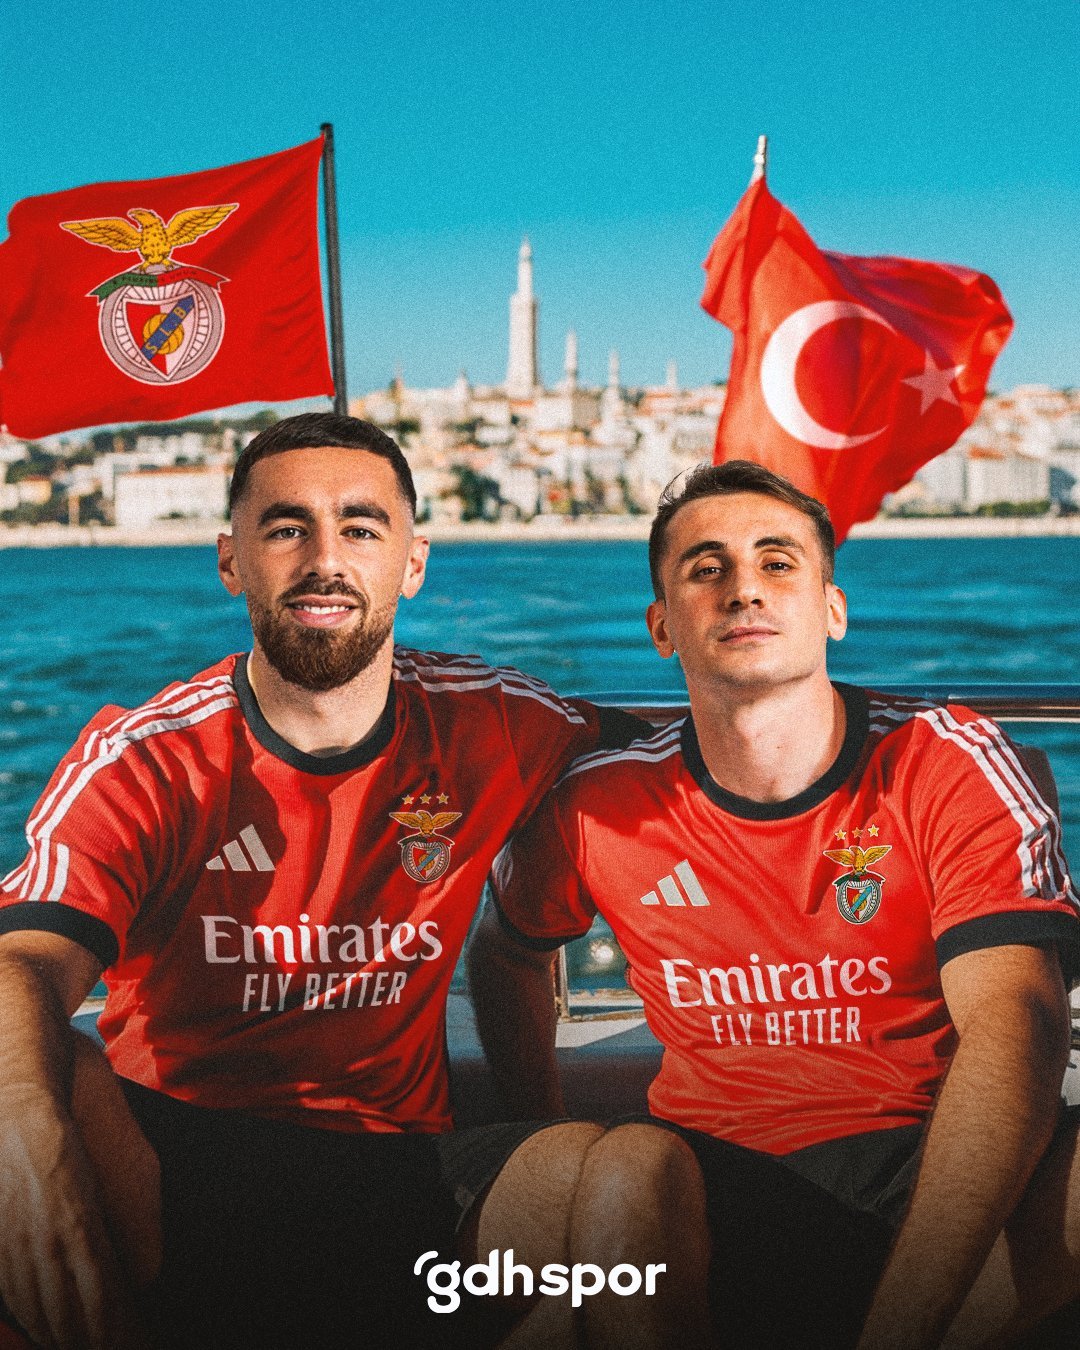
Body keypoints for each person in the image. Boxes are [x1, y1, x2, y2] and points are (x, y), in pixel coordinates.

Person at [0, 412, 642, 1350]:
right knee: (53, 1068)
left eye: (361, 527)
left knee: (619, 1182)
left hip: (408, 1181)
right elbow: (22, 961)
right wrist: (26, 1141)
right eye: (286, 527)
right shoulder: (147, 760)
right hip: (171, 1173)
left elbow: (696, 747)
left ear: (413, 564)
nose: (325, 559)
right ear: (232, 561)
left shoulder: (494, 723)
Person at [472, 460, 1080, 1349]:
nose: (744, 589)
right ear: (662, 626)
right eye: (706, 568)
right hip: (716, 1181)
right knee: (623, 1165)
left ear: (832, 610)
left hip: (934, 1164)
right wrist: (542, 1127)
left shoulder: (945, 759)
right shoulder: (598, 803)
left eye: (778, 561)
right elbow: (507, 951)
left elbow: (1017, 1019)